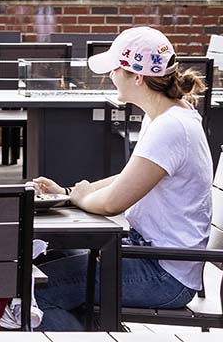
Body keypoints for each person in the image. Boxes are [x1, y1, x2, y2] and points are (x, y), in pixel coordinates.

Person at [31, 26, 211, 331]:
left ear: (137, 76)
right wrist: (69, 191)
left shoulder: (170, 127)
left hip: (164, 275)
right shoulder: (166, 115)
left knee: (38, 293)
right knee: (51, 259)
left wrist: (78, 197)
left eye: (115, 69)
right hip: (150, 256)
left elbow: (113, 203)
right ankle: (100, 332)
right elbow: (131, 177)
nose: (110, 75)